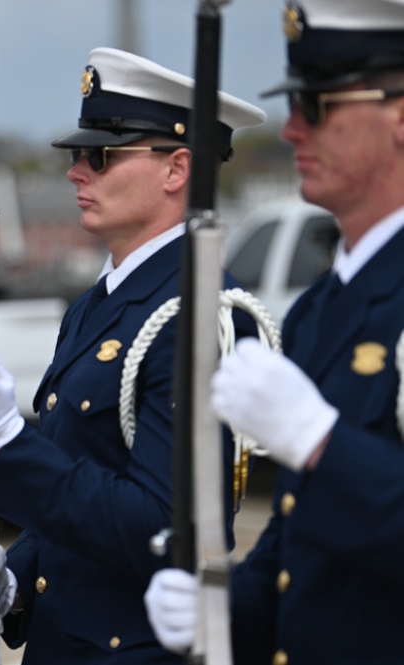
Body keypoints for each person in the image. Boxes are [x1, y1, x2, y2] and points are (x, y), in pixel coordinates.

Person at [0, 47, 266, 663]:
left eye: (101, 156)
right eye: (76, 155)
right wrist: (12, 580)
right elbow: (81, 473)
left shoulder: (198, 314)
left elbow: (164, 529)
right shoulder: (94, 305)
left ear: (177, 169)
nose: (75, 173)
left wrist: (10, 443)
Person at [145, 2, 404, 662]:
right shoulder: (320, 306)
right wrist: (222, 608)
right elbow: (296, 543)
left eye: (315, 104)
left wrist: (321, 441)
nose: (290, 130)